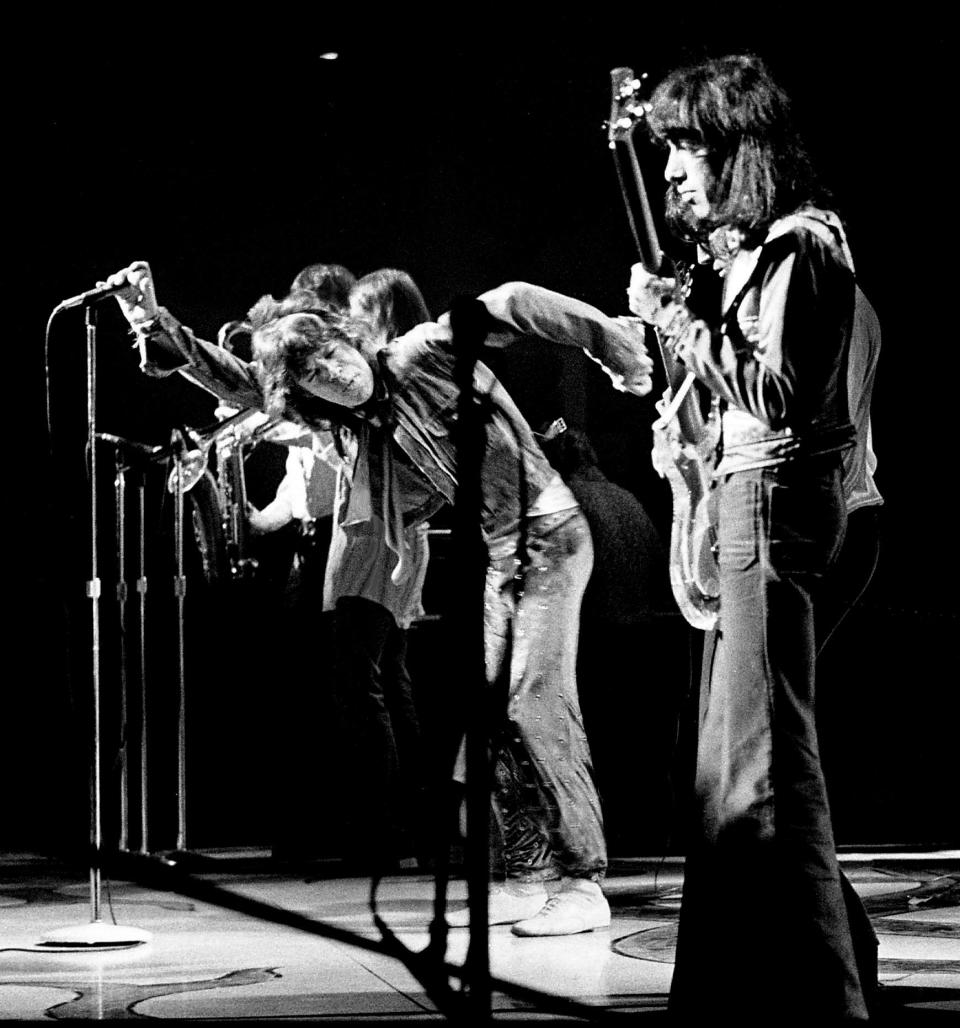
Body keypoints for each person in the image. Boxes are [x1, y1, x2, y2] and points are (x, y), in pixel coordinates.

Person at [103, 261, 654, 935]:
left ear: (350, 338)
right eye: (315, 376)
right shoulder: (360, 426)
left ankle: (582, 879)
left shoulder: (421, 351)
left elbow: (510, 301)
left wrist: (604, 337)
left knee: (536, 705)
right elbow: (243, 381)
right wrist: (151, 323)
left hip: (550, 536)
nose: (335, 372)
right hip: (501, 556)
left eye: (333, 355)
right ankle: (531, 872)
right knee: (490, 719)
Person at [626, 54, 874, 1021]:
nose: (674, 174)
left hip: (772, 510)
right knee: (729, 783)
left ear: (739, 151)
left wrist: (685, 322)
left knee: (771, 777)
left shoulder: (805, 247)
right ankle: (752, 993)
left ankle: (822, 1002)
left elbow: (776, 395)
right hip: (747, 506)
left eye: (687, 149)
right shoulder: (769, 252)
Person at [536, 422, 678, 853]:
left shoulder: (566, 503)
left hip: (596, 639)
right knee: (637, 748)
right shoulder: (628, 499)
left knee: (595, 748)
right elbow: (659, 572)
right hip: (645, 642)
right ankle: (647, 833)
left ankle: (598, 840)